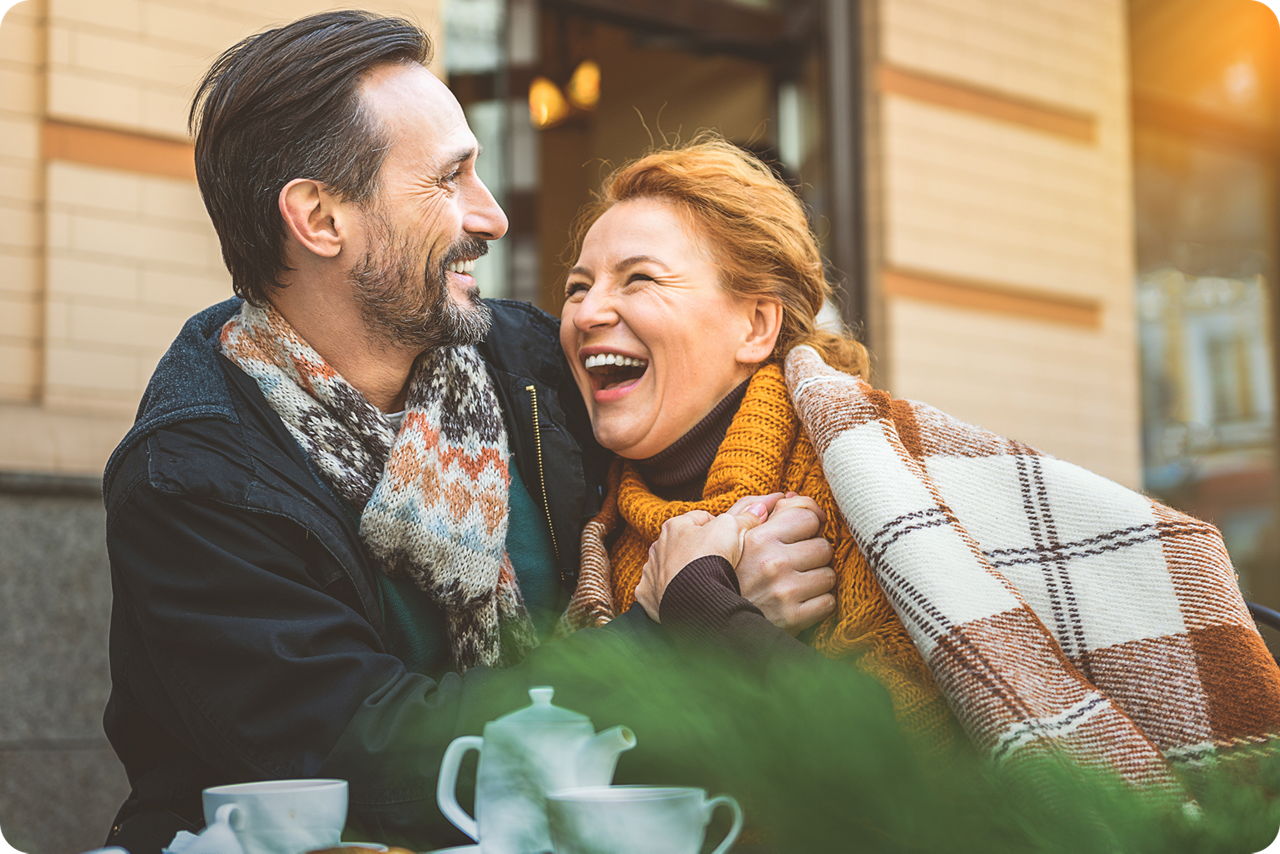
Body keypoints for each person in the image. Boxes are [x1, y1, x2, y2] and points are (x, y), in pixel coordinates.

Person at [100, 12, 844, 852]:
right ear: (320, 219)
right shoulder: (193, 478)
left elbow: (709, 403)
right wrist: (680, 632)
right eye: (449, 180)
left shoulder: (529, 364)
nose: (489, 217)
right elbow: (377, 757)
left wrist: (765, 522)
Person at [556, 134, 1280, 785]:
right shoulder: (589, 526)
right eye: (577, 287)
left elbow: (906, 784)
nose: (588, 313)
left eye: (638, 279)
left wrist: (700, 606)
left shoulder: (876, 493)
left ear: (755, 324)